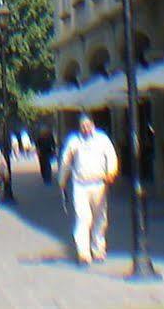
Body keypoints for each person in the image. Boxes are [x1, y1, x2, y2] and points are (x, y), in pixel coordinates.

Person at [57, 113, 119, 266]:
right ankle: (83, 253)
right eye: (82, 126)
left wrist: (111, 172)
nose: (85, 128)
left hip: (99, 184)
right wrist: (62, 180)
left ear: (93, 125)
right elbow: (66, 161)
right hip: (80, 185)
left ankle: (98, 250)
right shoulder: (74, 141)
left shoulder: (102, 139)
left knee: (100, 219)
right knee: (83, 218)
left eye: (88, 125)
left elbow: (111, 156)